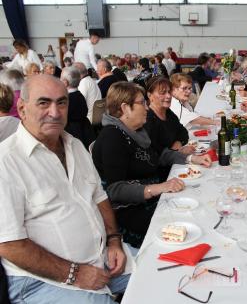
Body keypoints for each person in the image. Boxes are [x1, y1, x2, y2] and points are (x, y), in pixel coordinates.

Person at [0, 74, 132, 303]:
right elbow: (10, 245)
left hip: (100, 258)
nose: (55, 111)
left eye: (61, 102)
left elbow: (99, 198)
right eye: (44, 103)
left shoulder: (75, 145)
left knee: (163, 268)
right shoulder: (6, 162)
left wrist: (113, 240)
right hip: (40, 280)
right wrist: (75, 273)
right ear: (22, 108)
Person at [92, 82, 211, 247]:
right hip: (131, 211)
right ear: (125, 108)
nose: (147, 108)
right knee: (191, 220)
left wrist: (190, 159)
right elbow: (115, 190)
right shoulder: (112, 137)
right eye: (142, 103)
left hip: (154, 198)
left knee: (199, 199)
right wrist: (159, 188)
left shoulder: (136, 131)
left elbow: (159, 155)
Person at [144, 76, 194, 160]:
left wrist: (178, 143)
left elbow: (183, 132)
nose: (168, 96)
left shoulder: (168, 112)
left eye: (169, 92)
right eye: (162, 93)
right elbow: (156, 154)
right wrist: (174, 151)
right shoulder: (148, 120)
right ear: (150, 95)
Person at [60, 66, 95, 148]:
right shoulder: (79, 96)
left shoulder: (67, 101)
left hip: (73, 138)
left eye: (60, 78)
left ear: (65, 83)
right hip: (86, 134)